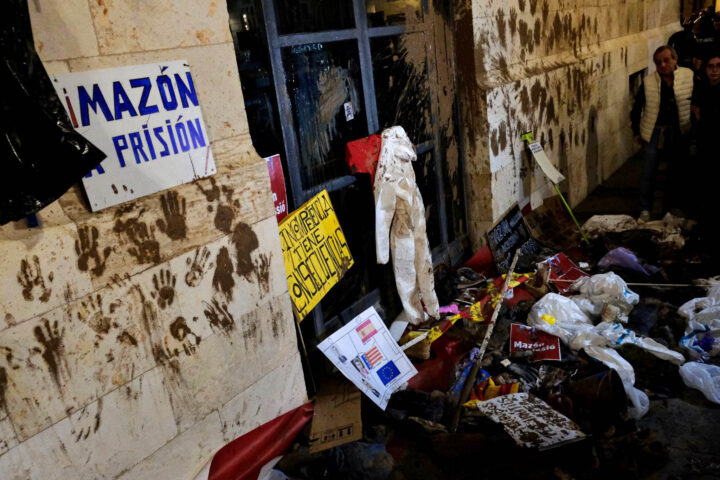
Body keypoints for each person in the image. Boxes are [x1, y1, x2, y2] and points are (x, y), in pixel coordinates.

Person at [630, 45, 694, 222]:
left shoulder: (688, 76)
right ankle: (645, 209)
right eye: (658, 62)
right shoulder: (649, 82)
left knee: (674, 172)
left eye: (666, 60)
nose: (663, 65)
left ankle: (669, 210)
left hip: (679, 132)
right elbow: (637, 109)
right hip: (655, 132)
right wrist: (636, 131)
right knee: (648, 171)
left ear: (675, 60)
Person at [691, 52, 720, 218]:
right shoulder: (701, 90)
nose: (715, 71)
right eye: (711, 66)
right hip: (705, 144)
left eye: (718, 66)